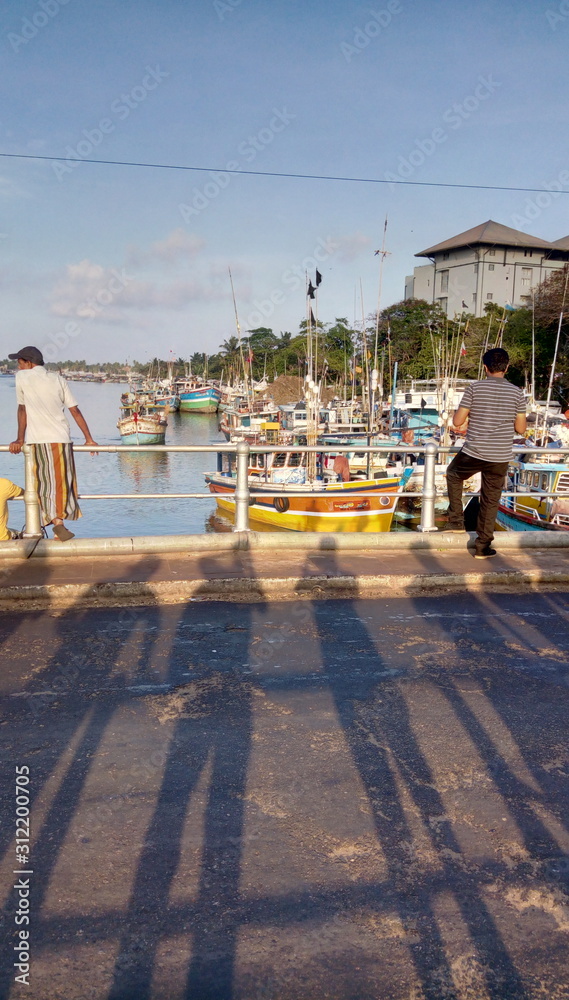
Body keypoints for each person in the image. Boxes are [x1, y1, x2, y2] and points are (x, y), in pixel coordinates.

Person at [8, 346, 97, 541]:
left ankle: (56, 522)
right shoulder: (58, 379)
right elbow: (75, 411)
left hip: (38, 440)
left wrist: (19, 438)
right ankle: (59, 523)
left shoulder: (22, 378)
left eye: (20, 362)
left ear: (29, 363)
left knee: (43, 483)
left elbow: (22, 410)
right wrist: (88, 438)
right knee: (63, 482)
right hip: (61, 438)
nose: (18, 366)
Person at [444, 347, 526, 559]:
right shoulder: (517, 393)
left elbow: (458, 421)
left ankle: (455, 522)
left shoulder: (474, 388)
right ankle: (482, 547)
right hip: (499, 455)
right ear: (506, 367)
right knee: (490, 499)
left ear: (485, 367)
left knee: (453, 474)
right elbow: (521, 429)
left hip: (475, 451)